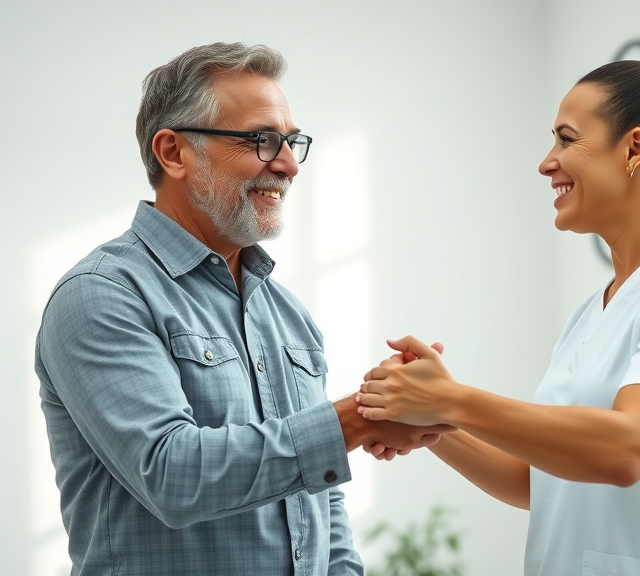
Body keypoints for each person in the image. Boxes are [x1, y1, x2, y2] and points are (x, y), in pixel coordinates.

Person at [35, 42, 451, 576]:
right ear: (173, 152)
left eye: (292, 142)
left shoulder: (287, 313)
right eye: (262, 140)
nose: (288, 165)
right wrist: (359, 418)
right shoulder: (101, 296)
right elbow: (171, 475)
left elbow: (320, 502)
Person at [356, 36, 640, 576]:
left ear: (634, 149)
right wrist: (428, 421)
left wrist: (452, 400)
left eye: (567, 140)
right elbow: (537, 482)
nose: (547, 163)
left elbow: (627, 448)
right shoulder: (592, 312)